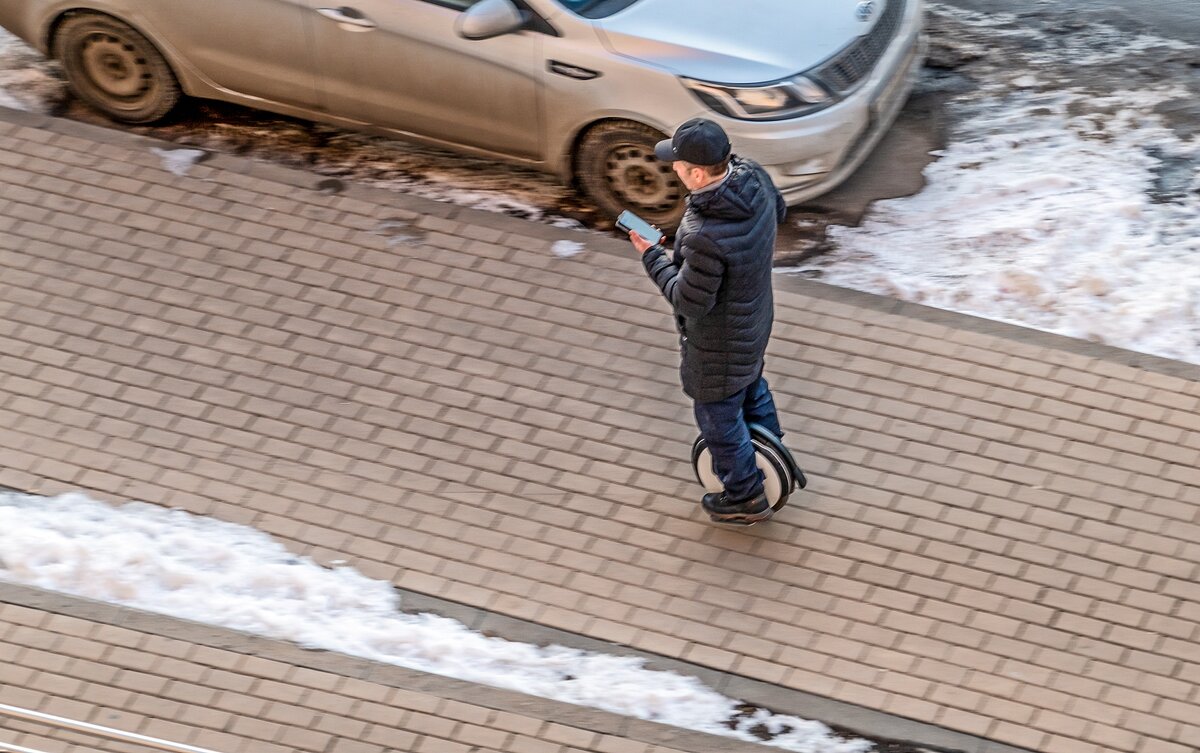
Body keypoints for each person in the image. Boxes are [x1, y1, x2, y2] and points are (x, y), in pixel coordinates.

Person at [627, 117, 789, 525]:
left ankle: (746, 495)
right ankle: (771, 449)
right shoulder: (753, 177)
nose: (674, 170)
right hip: (755, 320)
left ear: (697, 173)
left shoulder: (704, 233)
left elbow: (689, 301)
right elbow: (779, 212)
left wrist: (652, 255)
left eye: (678, 165)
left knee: (716, 414)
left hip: (718, 341)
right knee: (750, 383)